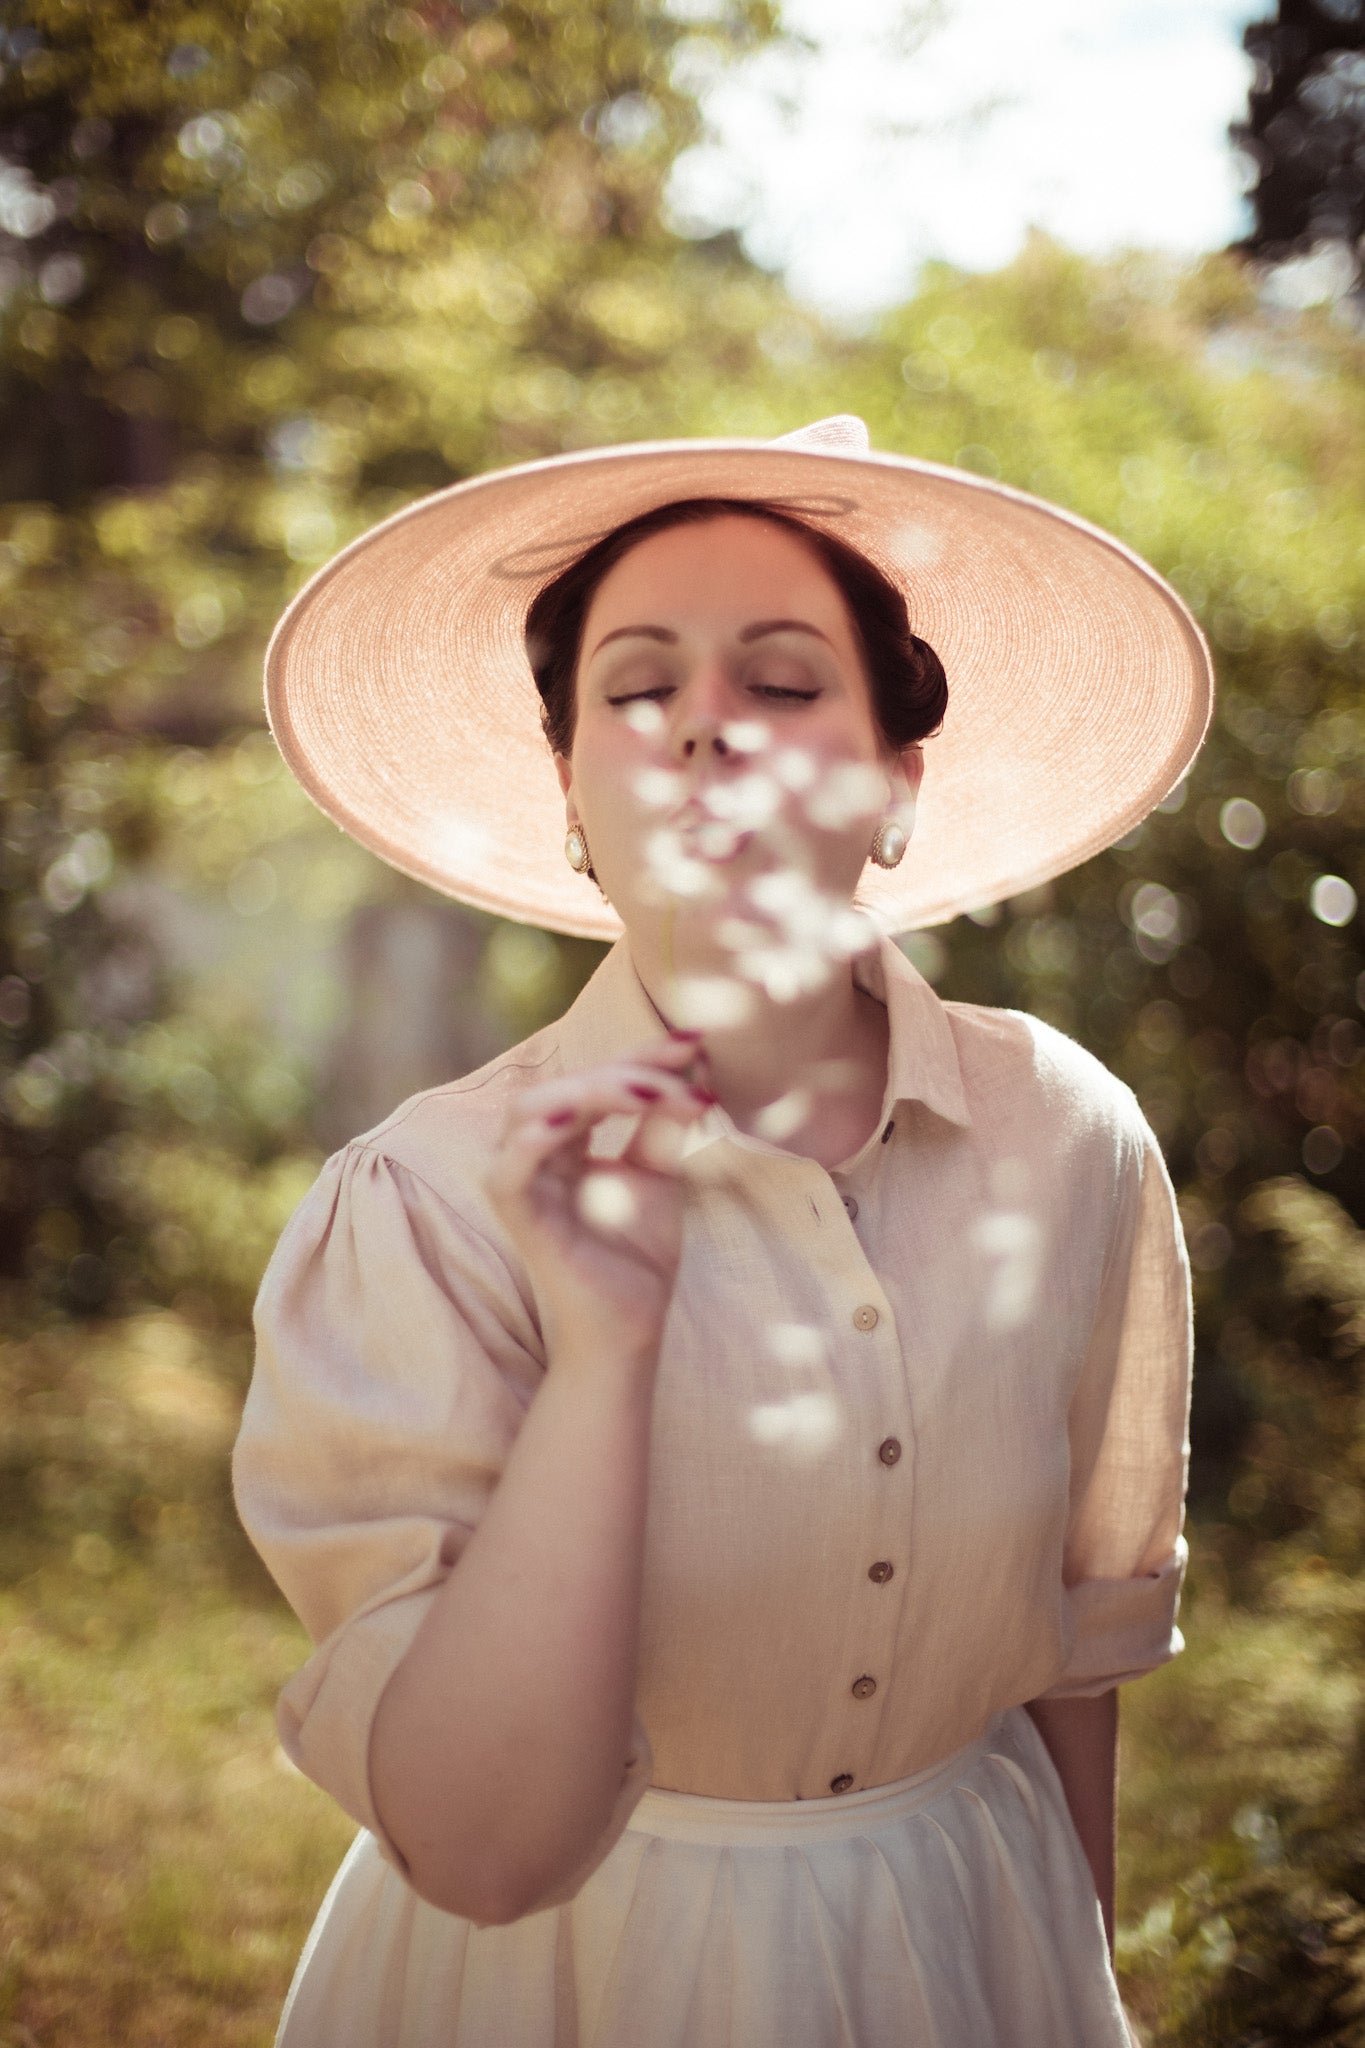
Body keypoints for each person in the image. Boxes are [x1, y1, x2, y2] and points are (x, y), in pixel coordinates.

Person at [233, 415, 1210, 2046]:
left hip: (976, 1939)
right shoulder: (423, 1203)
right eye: (636, 688)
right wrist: (604, 1349)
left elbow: (1076, 1655)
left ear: (897, 783)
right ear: (569, 790)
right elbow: (481, 1846)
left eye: (780, 680)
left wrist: (1071, 1971)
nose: (703, 731)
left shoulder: (1067, 1134)